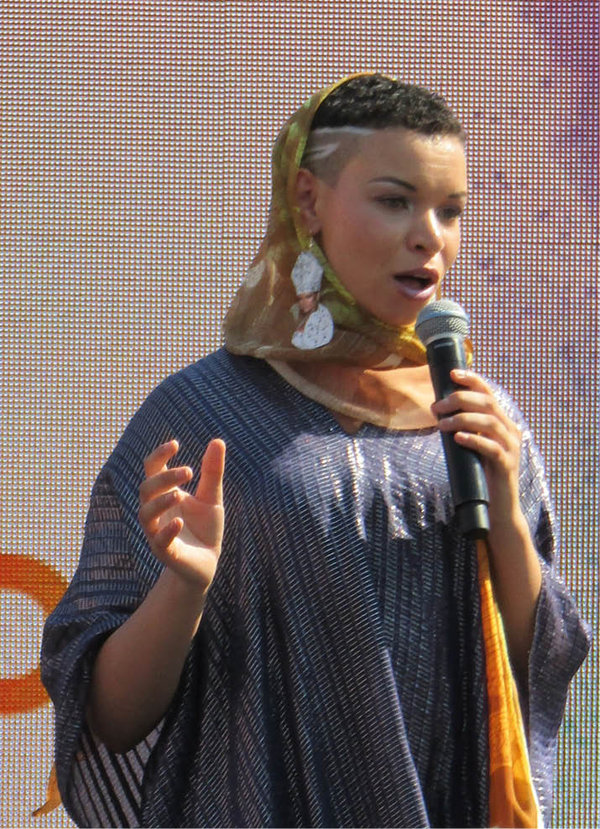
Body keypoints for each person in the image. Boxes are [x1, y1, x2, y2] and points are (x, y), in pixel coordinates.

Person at [41, 73, 590, 828]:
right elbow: (109, 717)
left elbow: (540, 668)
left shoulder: (482, 419)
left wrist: (506, 516)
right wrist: (183, 589)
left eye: (450, 210)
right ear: (307, 201)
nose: (430, 236)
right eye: (395, 201)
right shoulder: (206, 413)